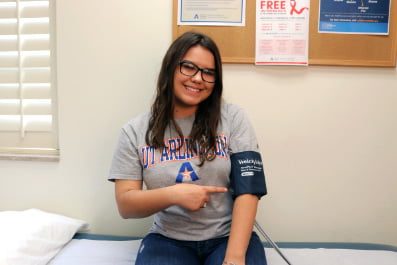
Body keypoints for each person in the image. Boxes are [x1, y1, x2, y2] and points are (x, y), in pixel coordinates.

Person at [108, 31, 267, 265]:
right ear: (170, 68)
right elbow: (126, 205)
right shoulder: (134, 131)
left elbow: (249, 191)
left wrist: (233, 258)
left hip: (227, 237)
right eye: (189, 67)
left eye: (208, 72)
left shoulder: (233, 119)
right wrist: (174, 194)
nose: (198, 78)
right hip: (167, 239)